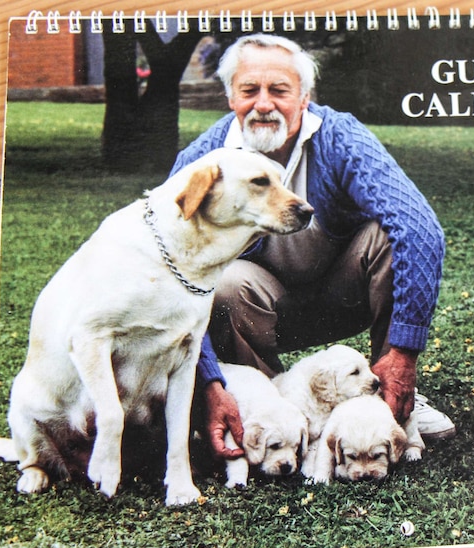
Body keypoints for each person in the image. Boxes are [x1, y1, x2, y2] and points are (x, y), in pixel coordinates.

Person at [170, 33, 454, 462]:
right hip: (260, 307)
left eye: (279, 91)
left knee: (391, 237)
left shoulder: (340, 138)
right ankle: (270, 410)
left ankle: (387, 397)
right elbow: (173, 271)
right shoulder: (205, 159)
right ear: (230, 97)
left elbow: (421, 229)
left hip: (343, 292)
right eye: (249, 90)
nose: (263, 104)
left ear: (304, 98)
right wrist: (208, 381)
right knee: (223, 282)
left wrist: (404, 355)